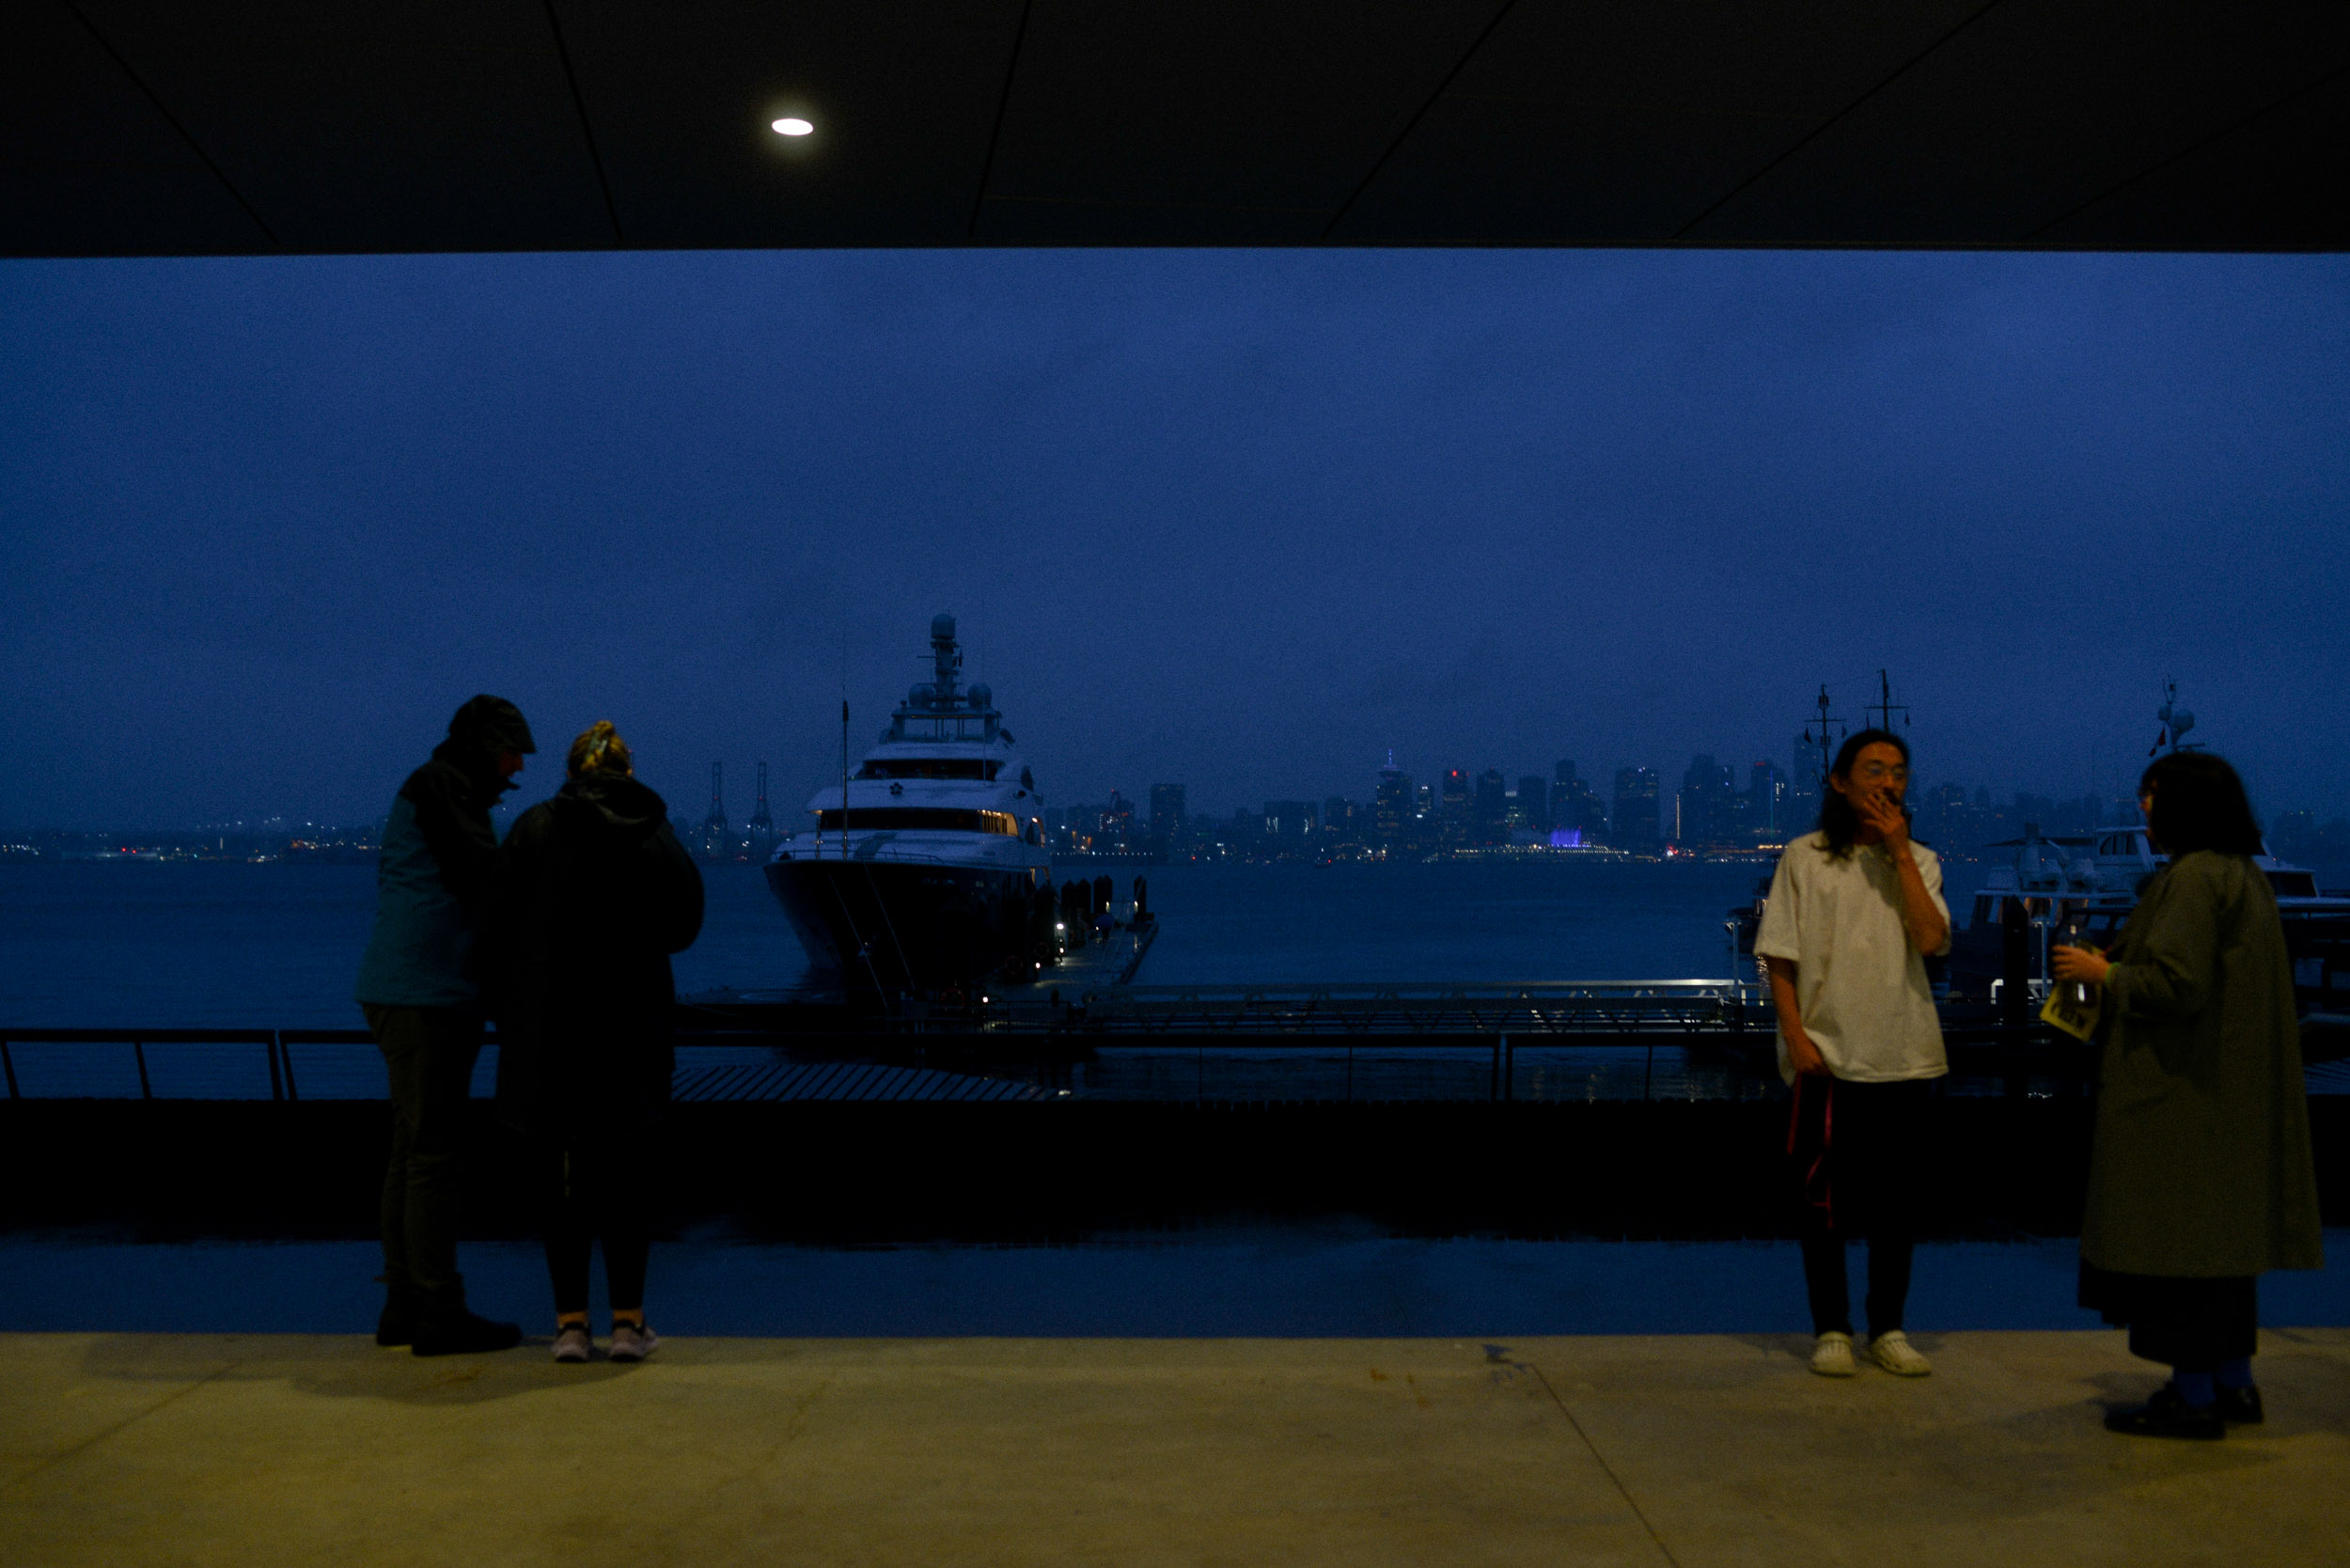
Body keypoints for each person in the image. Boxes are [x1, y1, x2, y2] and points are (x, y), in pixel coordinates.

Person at [2053, 751, 2322, 1439]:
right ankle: (2234, 1384)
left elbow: (2176, 985)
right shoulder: (2243, 876)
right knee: (2223, 1256)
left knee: (2176, 1253)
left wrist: (2099, 974)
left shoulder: (2193, 878)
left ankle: (2191, 1397)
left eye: (2152, 795)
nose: (2144, 806)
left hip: (2179, 1103)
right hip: (2226, 1100)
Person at [485, 721, 703, 1364]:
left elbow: (493, 921)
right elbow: (685, 922)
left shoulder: (536, 827)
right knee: (626, 1174)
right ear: (627, 771)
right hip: (631, 1026)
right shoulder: (651, 830)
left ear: (571, 772)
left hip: (548, 1028)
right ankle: (629, 1324)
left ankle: (570, 1326)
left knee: (562, 1178)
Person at [1754, 729, 1950, 1379]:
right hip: (1827, 1056)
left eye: (1899, 772)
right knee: (1821, 1201)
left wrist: (1898, 852)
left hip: (1904, 1052)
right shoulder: (1804, 857)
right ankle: (1832, 1327)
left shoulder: (1920, 860)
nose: (1888, 783)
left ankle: (1887, 1328)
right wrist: (1795, 1036)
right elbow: (1779, 955)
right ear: (1840, 781)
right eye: (1873, 770)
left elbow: (1931, 940)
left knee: (1897, 1207)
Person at [353, 694, 536, 1356]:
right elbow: (486, 879)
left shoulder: (436, 785)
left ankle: (404, 1304)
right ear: (486, 746)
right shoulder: (443, 788)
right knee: (432, 1155)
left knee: (411, 1150)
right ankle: (438, 1310)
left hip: (402, 988)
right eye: (512, 752)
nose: (518, 767)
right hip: (427, 994)